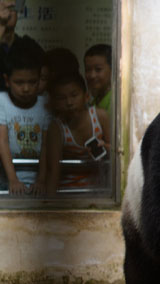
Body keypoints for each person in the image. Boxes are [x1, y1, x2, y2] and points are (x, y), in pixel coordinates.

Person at [45, 72, 110, 194]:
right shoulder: (57, 128)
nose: (69, 102)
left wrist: (105, 147)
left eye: (74, 95)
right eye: (62, 98)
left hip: (100, 192)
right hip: (67, 192)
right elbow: (53, 171)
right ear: (55, 103)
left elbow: (117, 153)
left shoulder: (100, 116)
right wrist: (49, 205)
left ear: (86, 96)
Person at [0, 41, 50, 195]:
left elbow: (47, 146)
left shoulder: (46, 104)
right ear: (7, 81)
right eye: (19, 83)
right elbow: (2, 141)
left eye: (32, 82)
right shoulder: (2, 101)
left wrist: (41, 180)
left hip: (39, 184)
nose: (26, 88)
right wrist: (13, 180)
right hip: (6, 182)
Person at [84, 44, 112, 112]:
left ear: (113, 70)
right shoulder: (94, 101)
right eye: (88, 70)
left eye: (98, 69)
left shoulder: (115, 101)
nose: (92, 75)